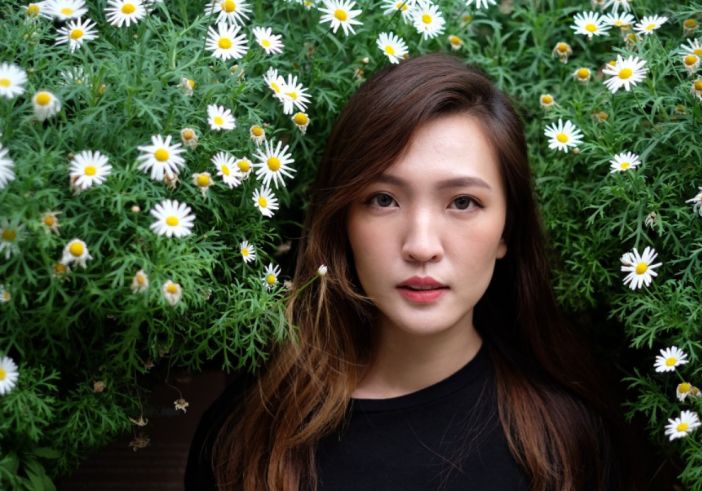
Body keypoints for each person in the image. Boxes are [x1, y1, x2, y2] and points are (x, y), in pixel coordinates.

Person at [185, 53, 635, 491]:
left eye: (463, 202)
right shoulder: (247, 436)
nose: (421, 246)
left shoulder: (566, 442)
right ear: (343, 221)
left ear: (507, 229)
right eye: (384, 199)